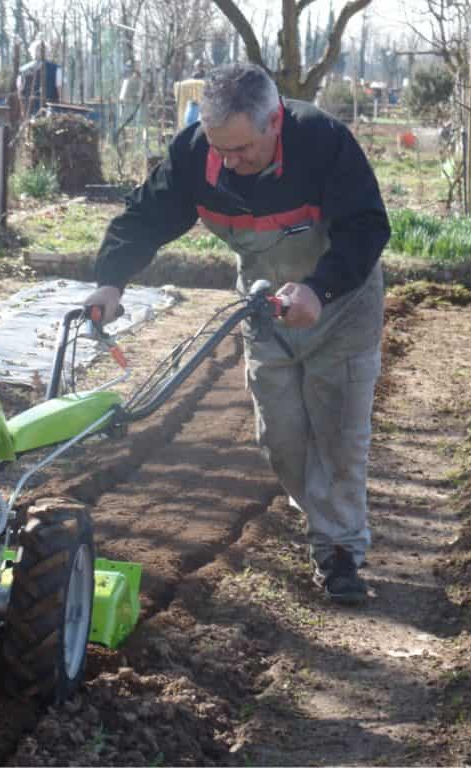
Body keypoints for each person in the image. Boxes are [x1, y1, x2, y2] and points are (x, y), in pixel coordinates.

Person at [84, 63, 390, 605]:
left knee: (340, 438)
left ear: (275, 121)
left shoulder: (322, 143)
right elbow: (145, 216)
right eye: (220, 149)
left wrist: (319, 289)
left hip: (339, 305)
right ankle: (324, 519)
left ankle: (339, 553)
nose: (230, 162)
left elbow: (367, 226)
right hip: (266, 306)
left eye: (242, 149)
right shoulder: (194, 153)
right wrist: (112, 281)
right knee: (282, 438)